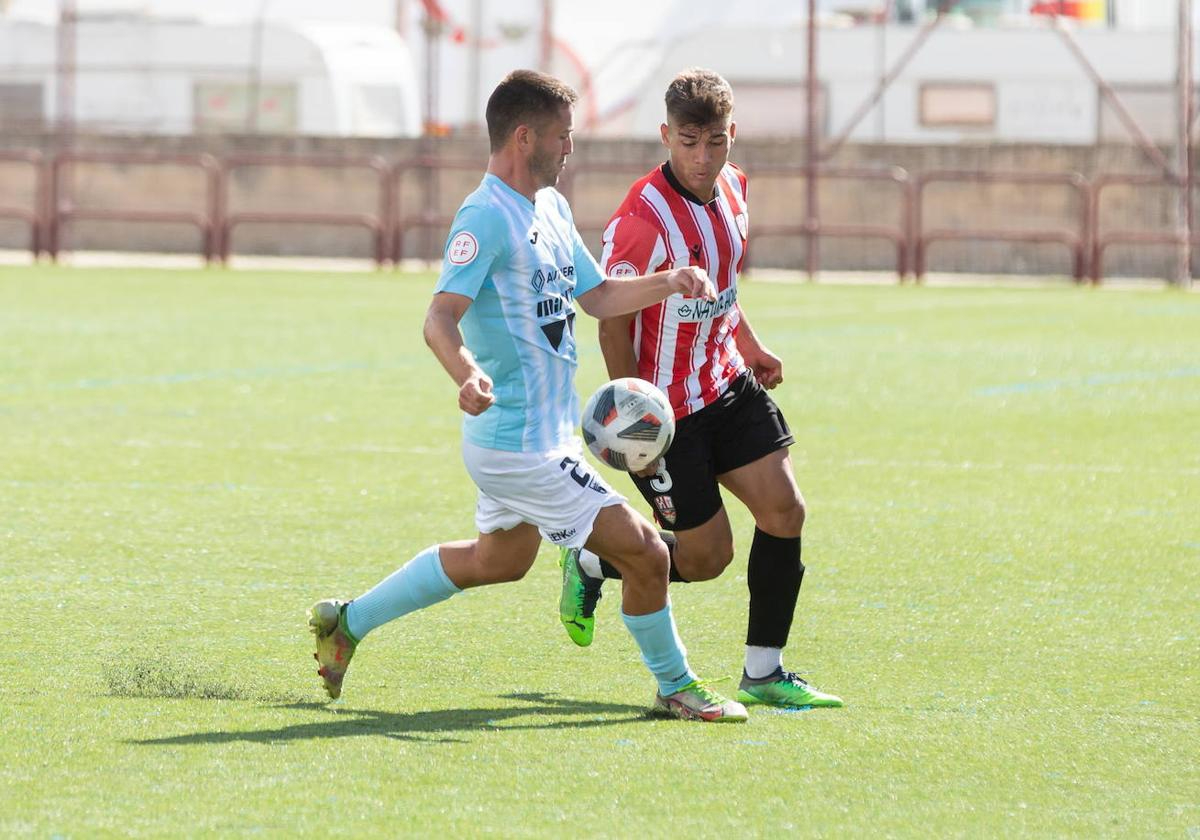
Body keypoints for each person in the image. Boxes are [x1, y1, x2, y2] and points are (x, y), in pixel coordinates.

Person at [309, 69, 748, 723]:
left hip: (545, 436)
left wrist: (669, 281)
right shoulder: (485, 216)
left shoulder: (550, 208)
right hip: (517, 443)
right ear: (524, 138)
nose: (570, 149)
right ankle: (675, 685)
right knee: (648, 551)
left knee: (499, 560)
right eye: (562, 137)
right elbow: (439, 318)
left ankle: (346, 622)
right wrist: (465, 373)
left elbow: (596, 297)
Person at [556, 68, 843, 710]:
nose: (702, 156)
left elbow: (721, 288)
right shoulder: (641, 219)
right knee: (708, 557)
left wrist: (749, 344)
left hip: (725, 383)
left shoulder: (736, 188)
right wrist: (631, 413)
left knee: (785, 511)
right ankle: (593, 562)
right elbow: (610, 319)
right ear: (665, 135)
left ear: (731, 135)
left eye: (715, 141)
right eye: (688, 141)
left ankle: (764, 673)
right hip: (665, 415)